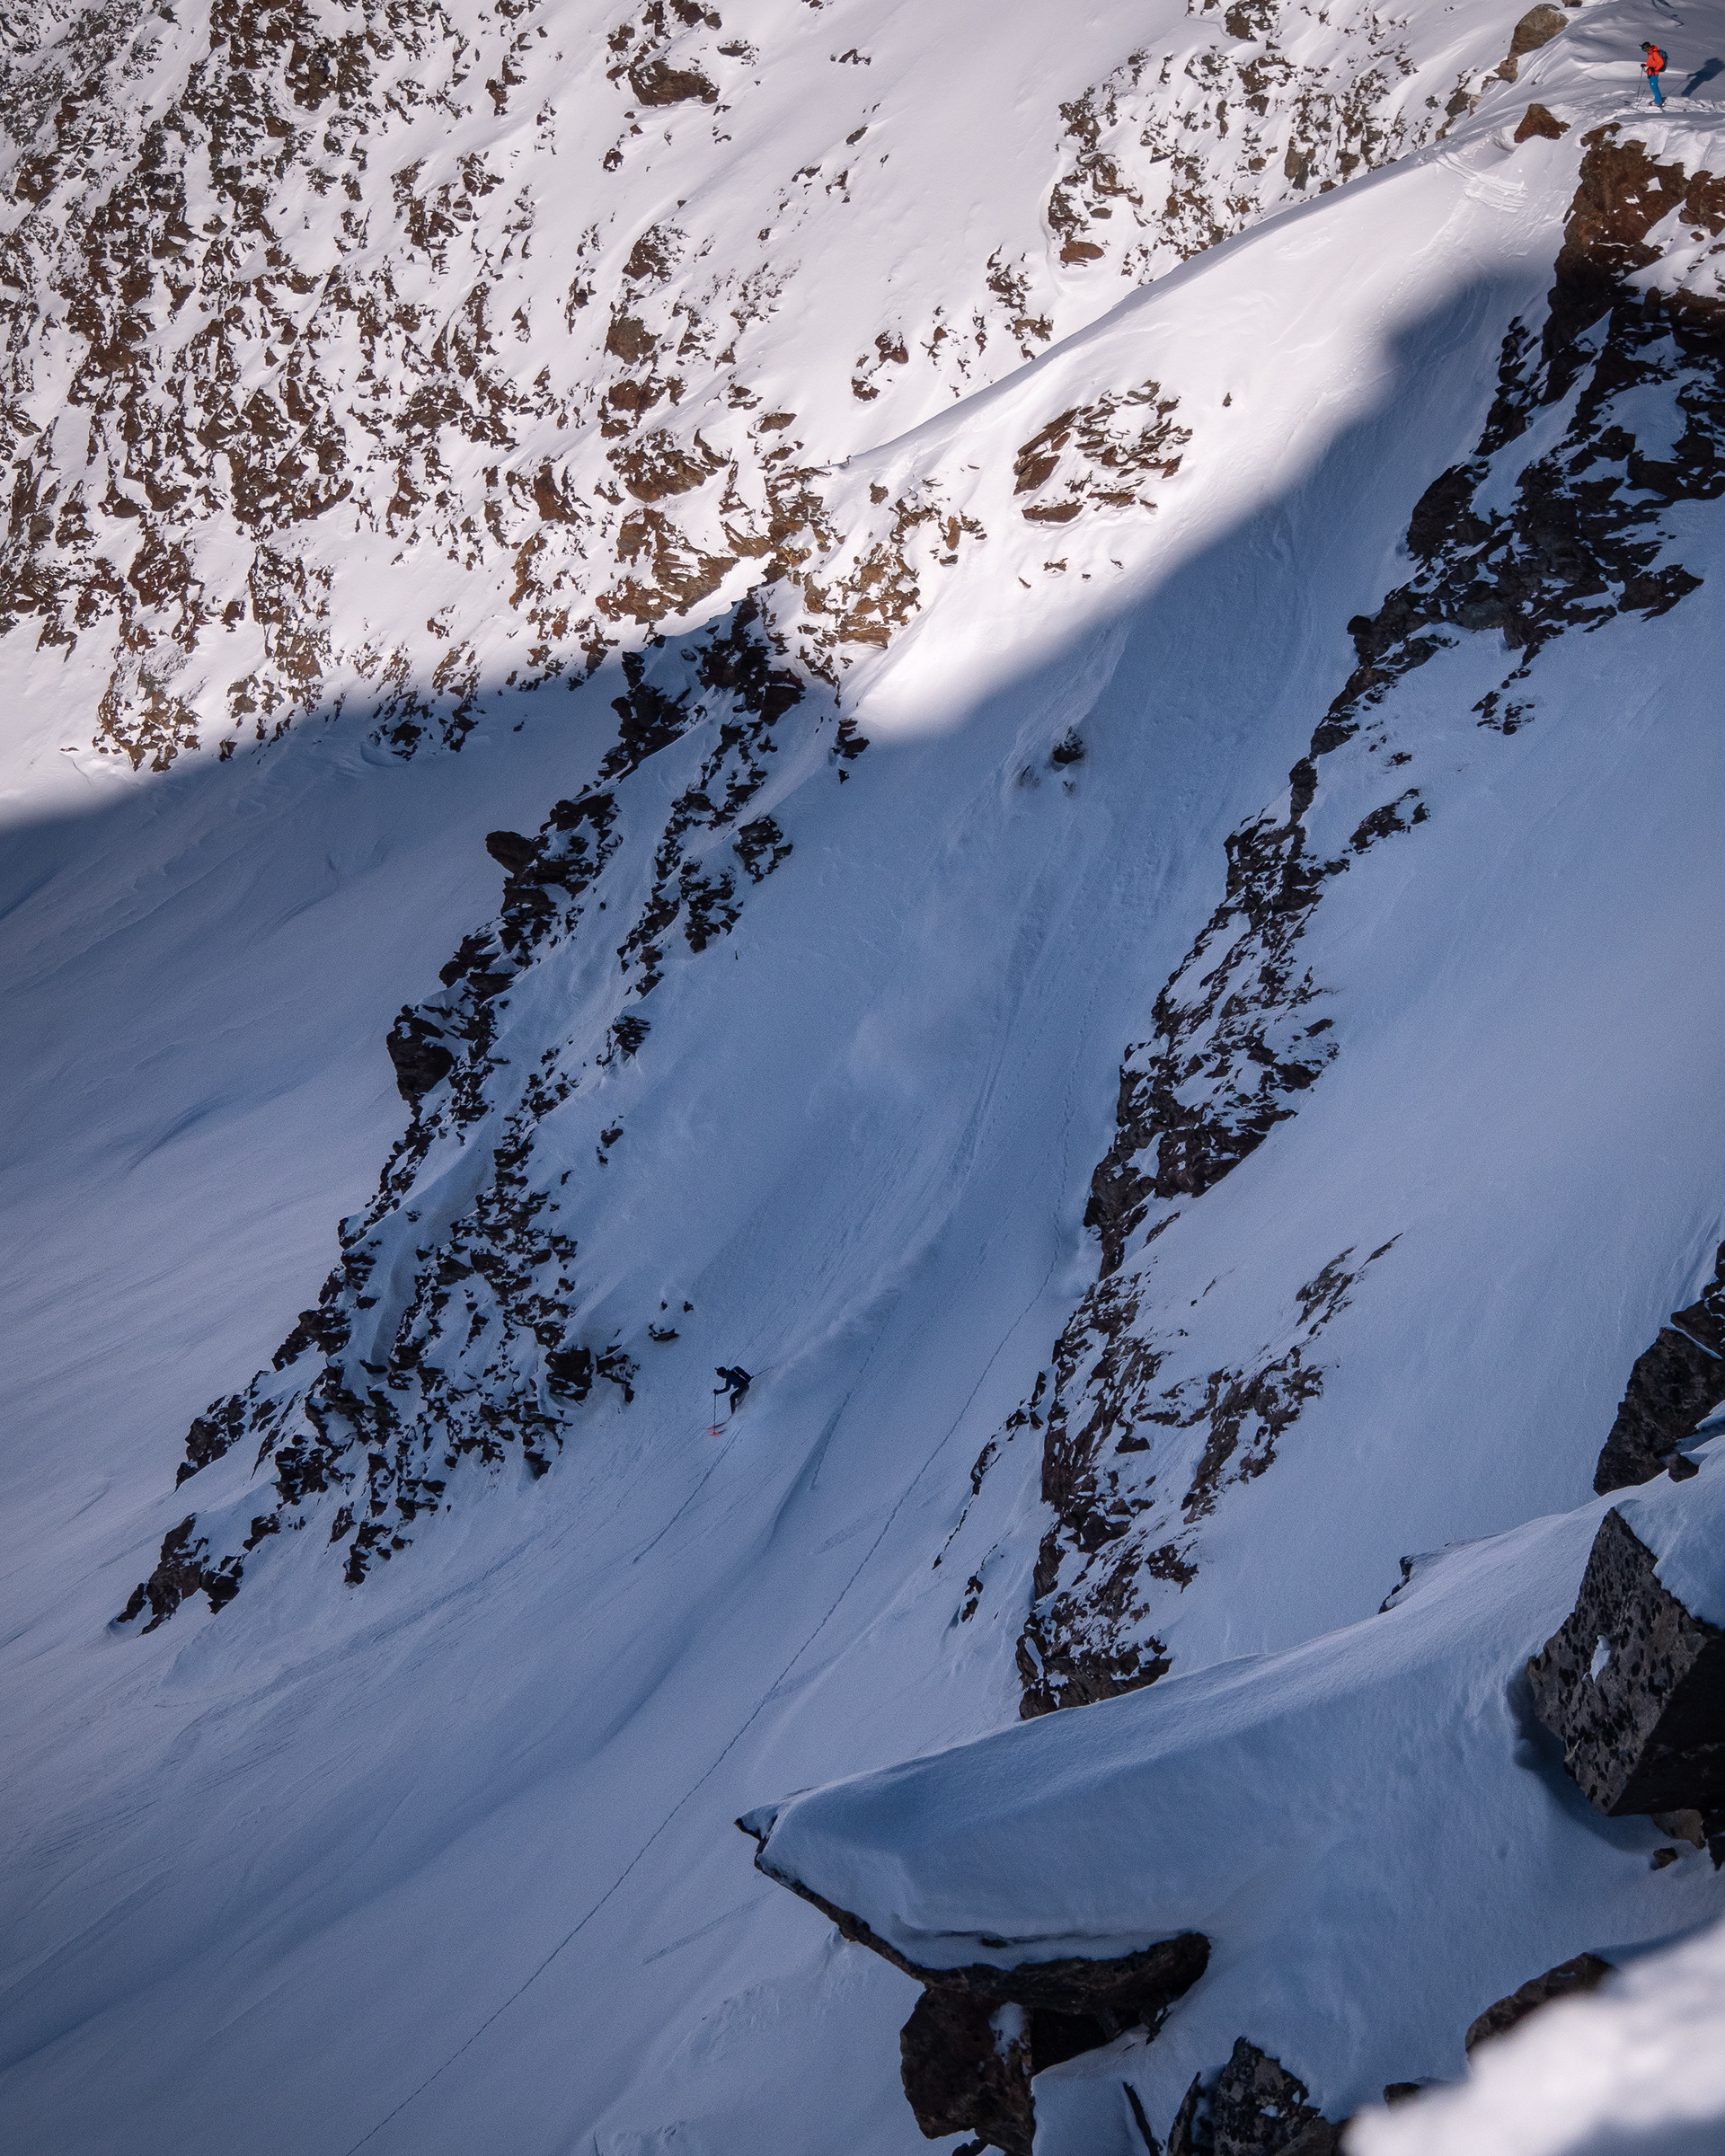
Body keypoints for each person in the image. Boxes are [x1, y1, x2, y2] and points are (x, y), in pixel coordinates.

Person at [1642, 40, 1668, 104]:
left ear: (1648, 48)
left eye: (1645, 49)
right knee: (1652, 86)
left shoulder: (1654, 53)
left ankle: (1658, 102)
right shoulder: (1650, 52)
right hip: (1651, 72)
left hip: (1654, 73)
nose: (1645, 51)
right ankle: (1657, 99)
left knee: (1654, 86)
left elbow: (1661, 62)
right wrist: (1645, 65)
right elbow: (1651, 62)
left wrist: (1656, 69)